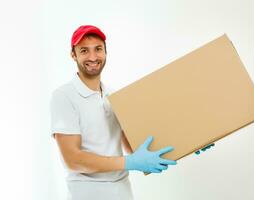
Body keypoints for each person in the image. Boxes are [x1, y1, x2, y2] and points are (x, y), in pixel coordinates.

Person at [50, 25, 214, 200]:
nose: (92, 57)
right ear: (73, 55)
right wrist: (129, 162)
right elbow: (73, 159)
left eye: (98, 49)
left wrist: (191, 141)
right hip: (87, 194)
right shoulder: (64, 96)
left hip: (122, 192)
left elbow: (135, 148)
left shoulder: (114, 96)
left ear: (105, 52)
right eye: (84, 50)